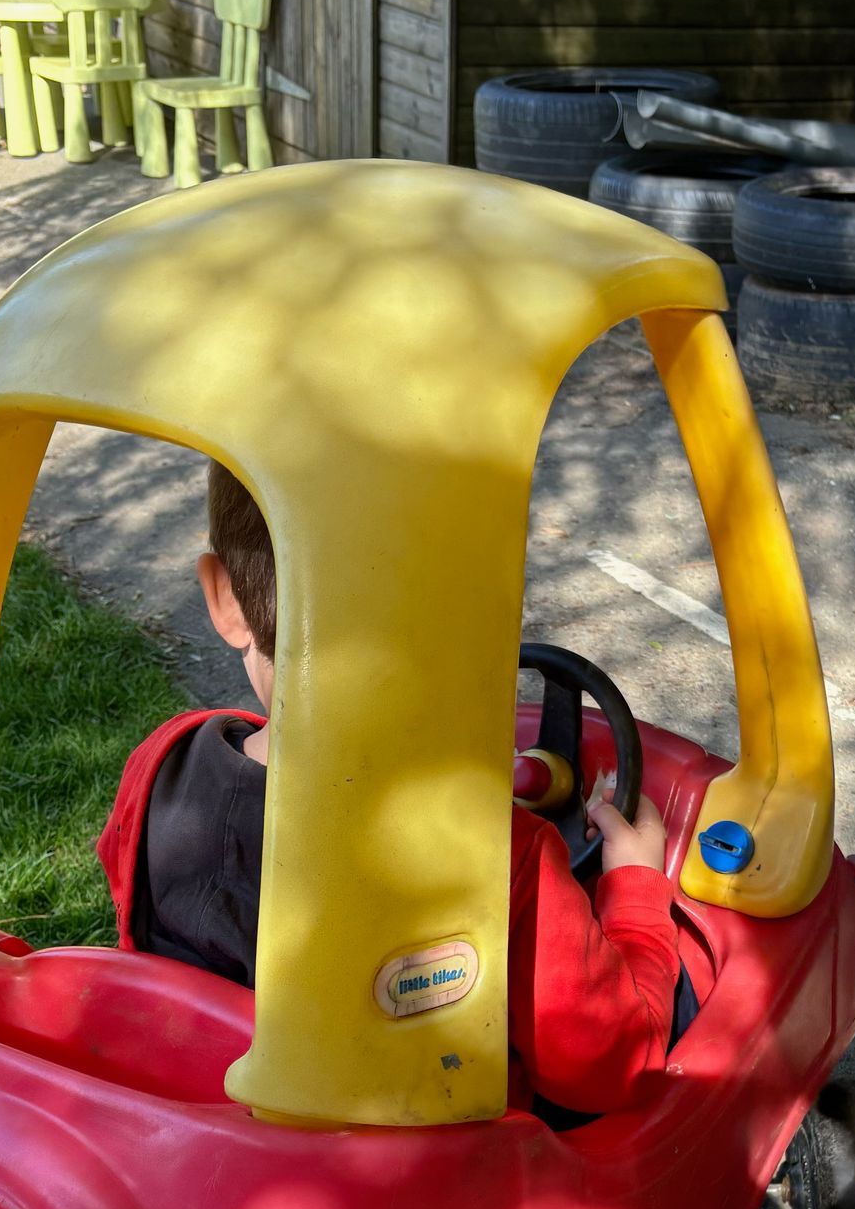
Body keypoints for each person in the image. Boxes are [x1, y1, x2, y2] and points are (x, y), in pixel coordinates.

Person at [97, 463, 692, 1116]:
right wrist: (635, 893)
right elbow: (607, 1066)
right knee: (682, 996)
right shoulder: (497, 853)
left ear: (225, 599)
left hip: (210, 1124)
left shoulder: (161, 765)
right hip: (432, 1183)